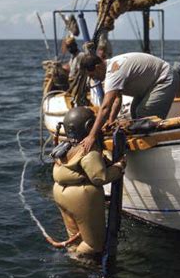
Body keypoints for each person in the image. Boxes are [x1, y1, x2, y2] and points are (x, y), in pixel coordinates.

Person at [51, 107, 126, 257]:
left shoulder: (66, 146)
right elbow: (99, 177)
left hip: (60, 192)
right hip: (80, 197)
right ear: (89, 126)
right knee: (94, 244)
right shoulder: (88, 150)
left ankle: (73, 258)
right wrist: (119, 167)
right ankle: (81, 260)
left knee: (75, 236)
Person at [79, 52, 179, 153]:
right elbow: (117, 99)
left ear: (98, 67)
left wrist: (91, 136)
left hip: (164, 78)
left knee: (144, 114)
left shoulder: (114, 72)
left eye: (92, 75)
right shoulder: (111, 68)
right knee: (134, 112)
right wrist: (110, 121)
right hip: (150, 84)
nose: (93, 79)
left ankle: (155, 149)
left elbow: (105, 107)